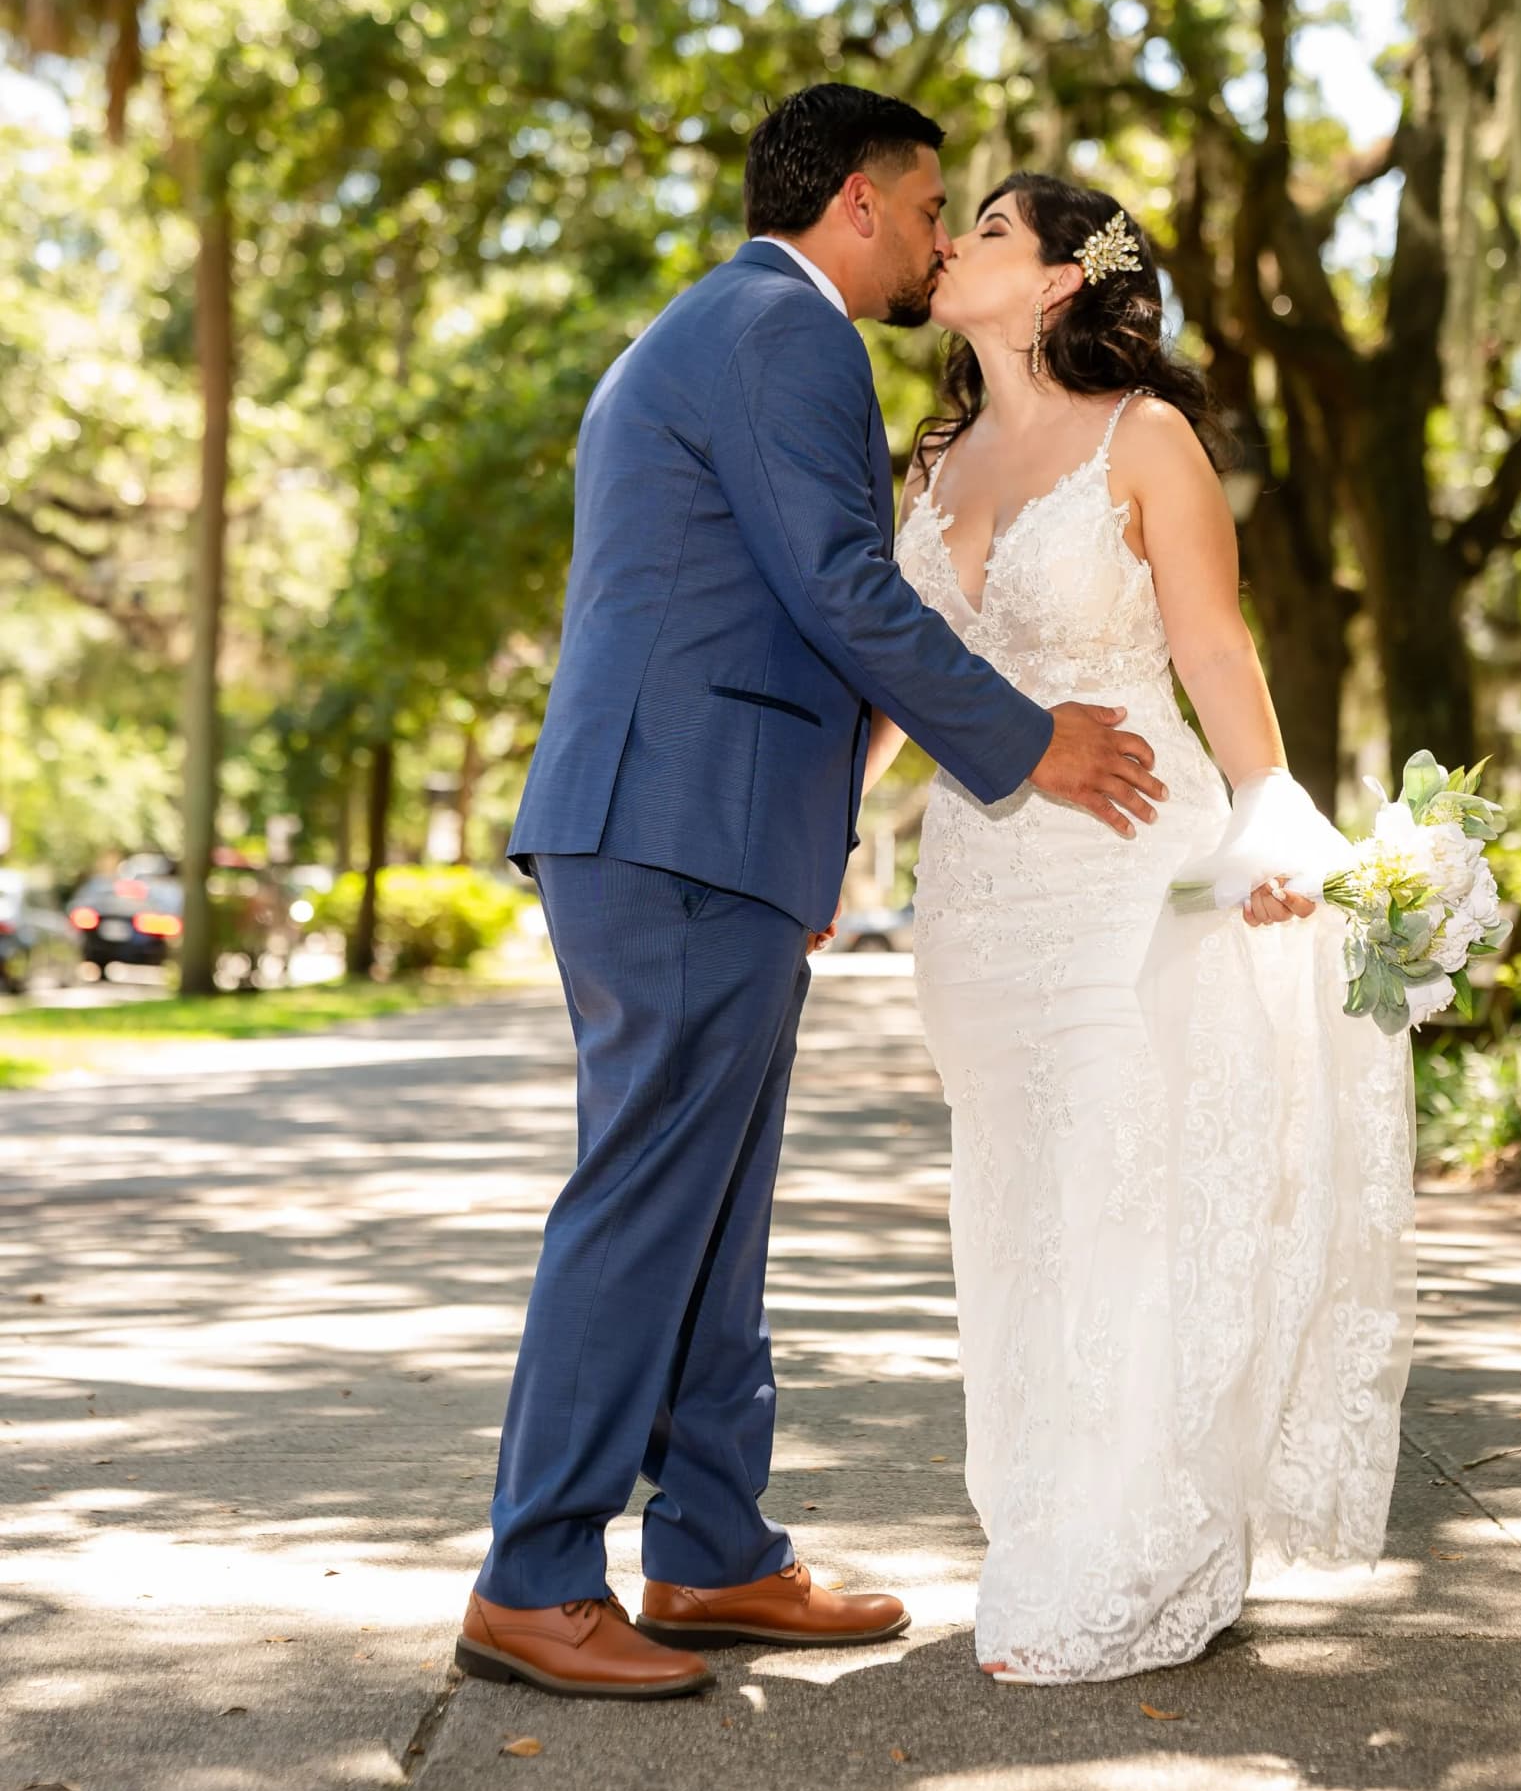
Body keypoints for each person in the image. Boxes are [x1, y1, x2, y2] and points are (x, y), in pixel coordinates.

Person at [457, 90, 1164, 1702]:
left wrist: (811, 833)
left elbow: (772, 604)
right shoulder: (787, 331)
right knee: (649, 1195)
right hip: (675, 825)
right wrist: (1031, 740)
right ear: (857, 199)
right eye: (927, 211)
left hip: (705, 826)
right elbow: (842, 593)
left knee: (709, 1205)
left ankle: (712, 1545)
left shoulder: (723, 326)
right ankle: (534, 1576)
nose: (936, 241)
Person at [877, 170, 1418, 1686]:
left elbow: (1214, 646)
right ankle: (1043, 1518)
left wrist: (1270, 823)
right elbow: (894, 673)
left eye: (988, 227)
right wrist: (822, 835)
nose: (950, 241)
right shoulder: (933, 459)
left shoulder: (1148, 437)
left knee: (1123, 1199)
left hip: (1125, 870)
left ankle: (1136, 1551)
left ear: (1061, 279)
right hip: (974, 895)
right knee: (1015, 1209)